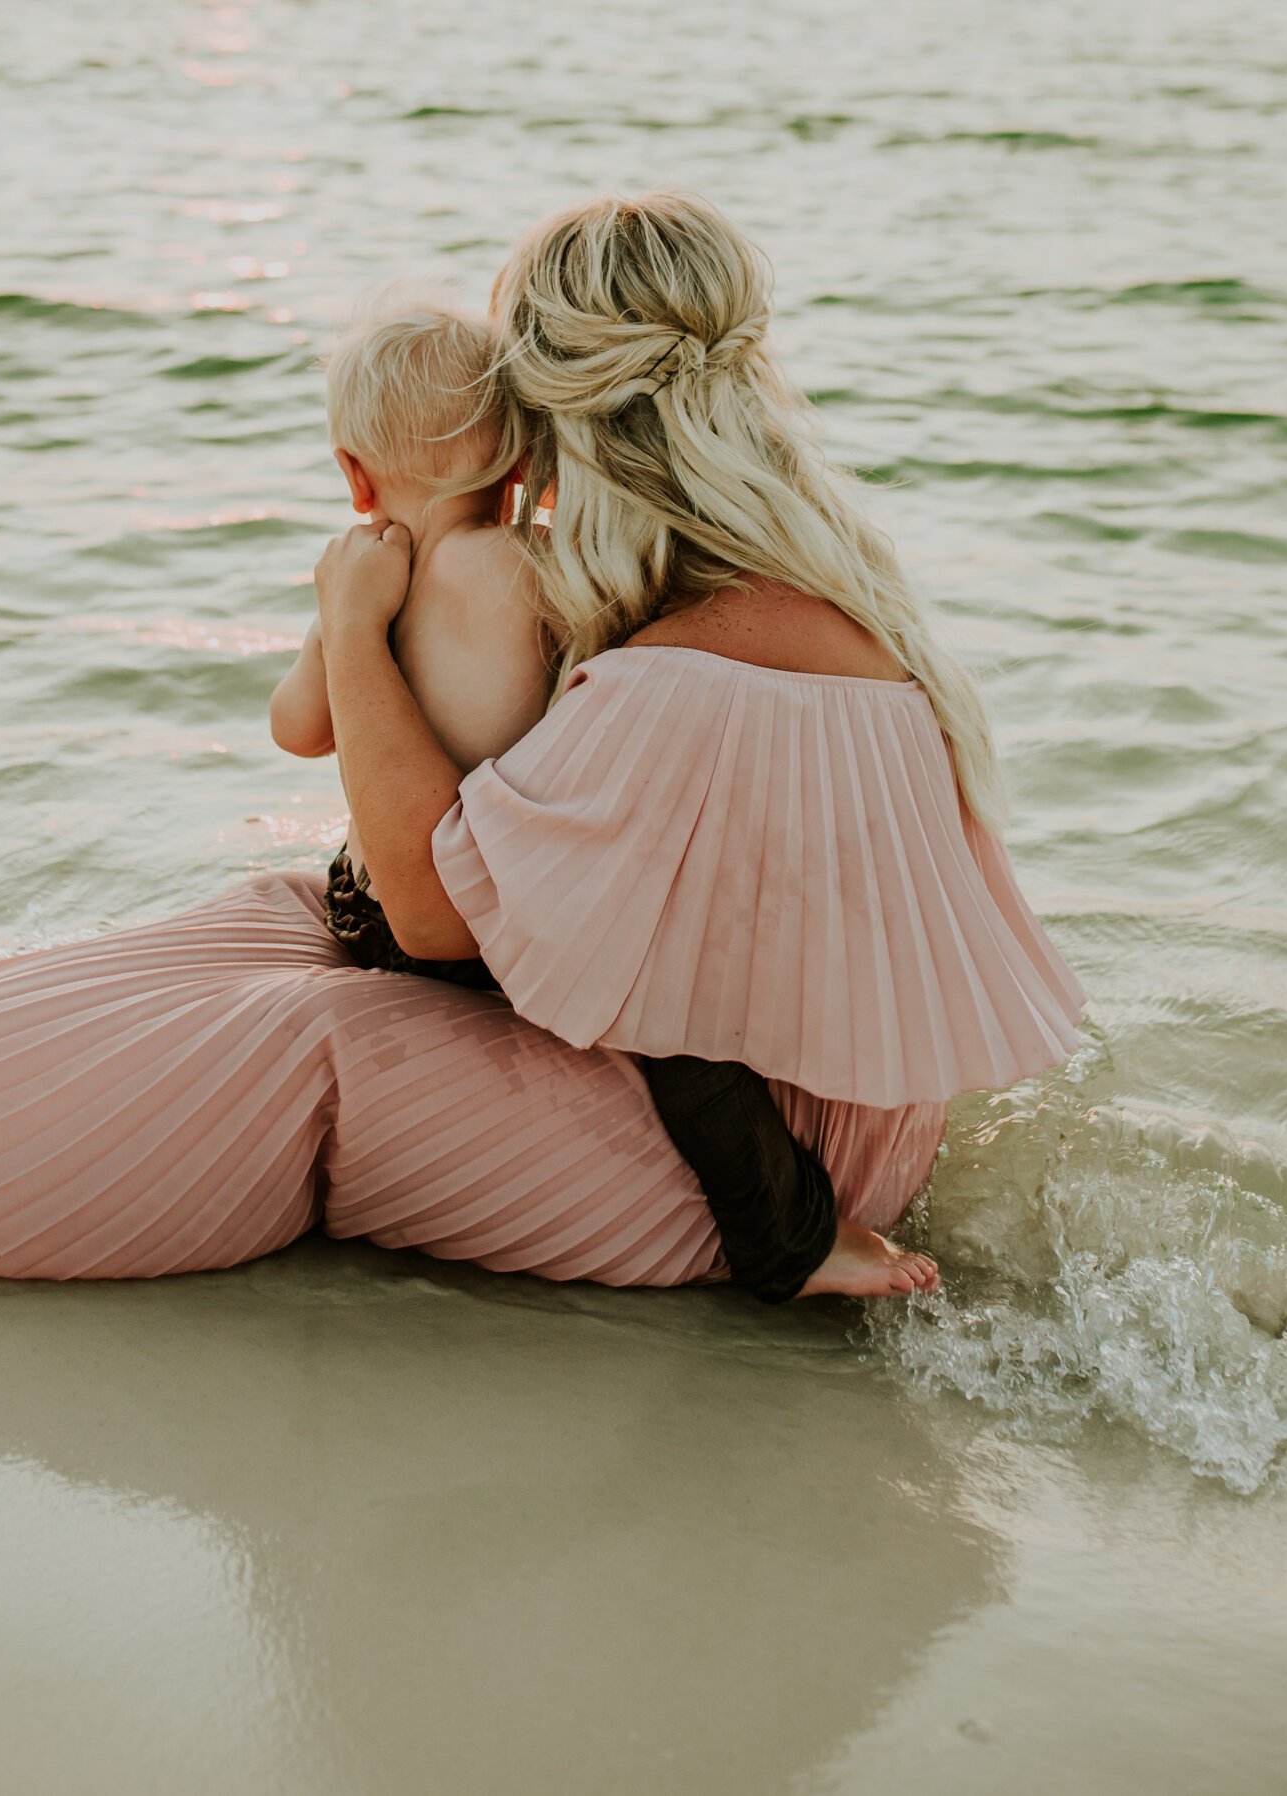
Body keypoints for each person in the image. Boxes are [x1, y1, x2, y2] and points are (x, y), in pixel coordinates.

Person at [0, 194, 1083, 1298]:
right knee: (280, 916)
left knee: (318, 1026)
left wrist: (348, 621)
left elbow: (433, 920)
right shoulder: (803, 587)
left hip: (761, 1172)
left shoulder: (685, 667)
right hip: (797, 1092)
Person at [273, 299, 892, 1302]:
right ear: (526, 458)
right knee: (676, 1021)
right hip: (518, 913)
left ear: (353, 474)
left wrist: (344, 625)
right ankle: (788, 1237)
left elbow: (297, 728)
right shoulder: (551, 569)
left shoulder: (365, 580)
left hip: (377, 914)